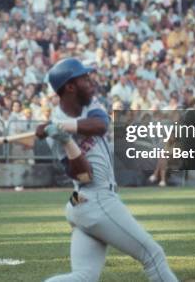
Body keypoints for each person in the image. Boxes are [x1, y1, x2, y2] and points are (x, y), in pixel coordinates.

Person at [37, 58, 177, 282]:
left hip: (82, 204)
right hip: (95, 198)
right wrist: (67, 141)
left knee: (84, 276)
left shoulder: (88, 105)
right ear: (70, 87)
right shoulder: (55, 135)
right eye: (84, 78)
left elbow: (101, 125)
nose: (90, 82)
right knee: (153, 255)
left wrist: (67, 128)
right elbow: (83, 175)